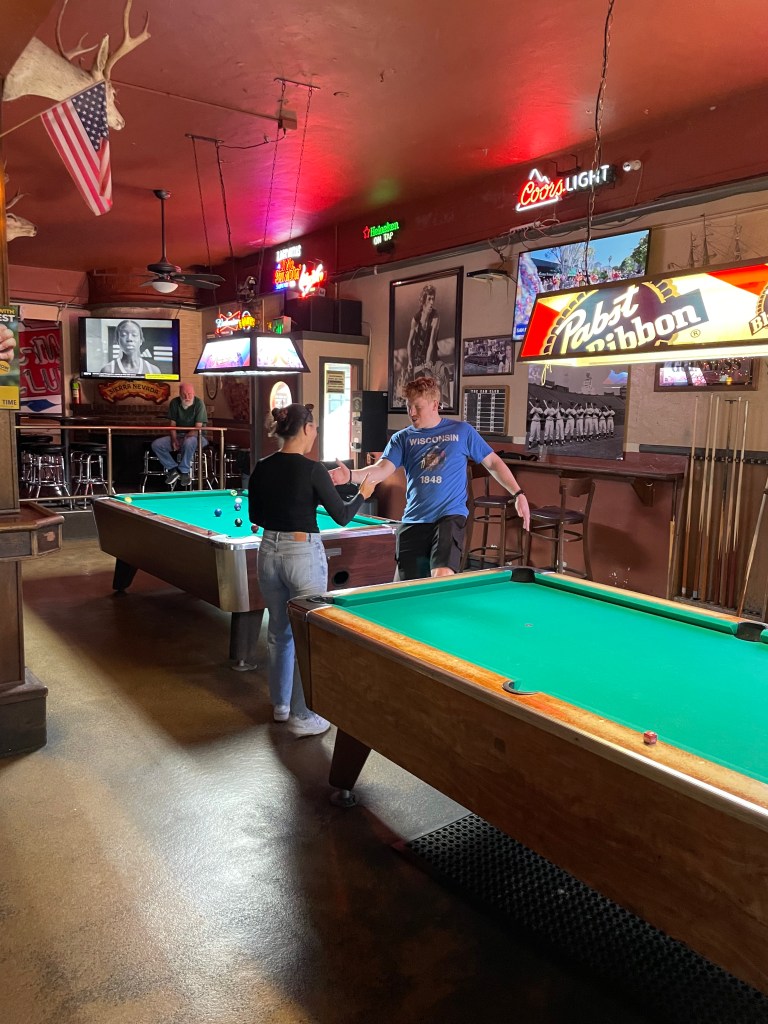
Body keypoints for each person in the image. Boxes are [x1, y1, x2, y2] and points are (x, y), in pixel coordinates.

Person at [248, 403, 376, 734]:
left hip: (268, 551)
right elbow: (344, 516)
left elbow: (256, 518)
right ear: (305, 429)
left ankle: (280, 705)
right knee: (307, 633)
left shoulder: (262, 466)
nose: (316, 432)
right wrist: (363, 492)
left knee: (278, 630)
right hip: (302, 553)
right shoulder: (313, 469)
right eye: (315, 427)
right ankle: (304, 717)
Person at [330, 376, 530, 582]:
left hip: (449, 517)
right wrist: (351, 476)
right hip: (414, 520)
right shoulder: (403, 438)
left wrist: (518, 493)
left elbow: (493, 463)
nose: (412, 412)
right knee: (406, 588)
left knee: (441, 574)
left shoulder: (462, 431)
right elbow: (381, 469)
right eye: (409, 406)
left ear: (435, 405)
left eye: (418, 406)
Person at [151, 383, 208, 486]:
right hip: (179, 436)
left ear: (194, 393)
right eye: (184, 394)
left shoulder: (199, 403)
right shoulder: (174, 402)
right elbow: (172, 424)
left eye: (190, 394)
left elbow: (198, 428)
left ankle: (184, 471)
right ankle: (173, 469)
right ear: (179, 394)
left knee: (189, 441)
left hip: (198, 437)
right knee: (157, 444)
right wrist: (174, 439)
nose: (187, 397)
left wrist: (184, 438)